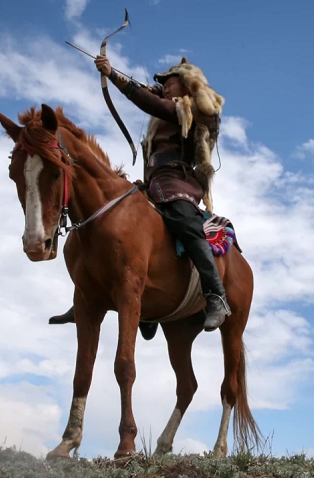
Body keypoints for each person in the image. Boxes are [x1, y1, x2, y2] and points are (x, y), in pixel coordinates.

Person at [50, 56, 229, 332]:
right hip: (152, 181)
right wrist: (143, 86)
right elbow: (152, 98)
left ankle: (216, 295)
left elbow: (152, 104)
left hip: (177, 182)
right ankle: (89, 294)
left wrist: (113, 76)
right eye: (163, 85)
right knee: (112, 222)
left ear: (185, 85)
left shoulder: (187, 109)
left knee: (185, 221)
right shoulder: (166, 108)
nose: (165, 88)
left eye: (170, 83)